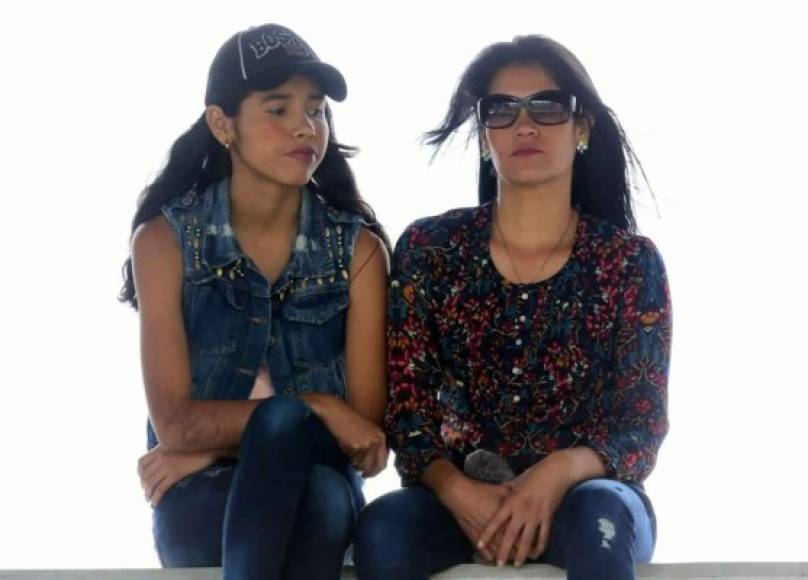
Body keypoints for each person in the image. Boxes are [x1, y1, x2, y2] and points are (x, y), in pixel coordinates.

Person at [354, 34, 671, 580]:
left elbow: (639, 423)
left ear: (582, 128)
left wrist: (558, 472)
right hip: (456, 503)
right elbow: (407, 409)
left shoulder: (629, 262)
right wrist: (454, 488)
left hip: (586, 497)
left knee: (602, 520)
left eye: (547, 106)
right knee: (382, 528)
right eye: (501, 110)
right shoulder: (431, 250)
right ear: (483, 135)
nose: (525, 125)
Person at [119, 23, 390, 580]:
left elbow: (364, 434)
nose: (304, 127)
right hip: (201, 496)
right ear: (223, 124)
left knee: (312, 489)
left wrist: (217, 442)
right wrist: (316, 408)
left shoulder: (358, 251)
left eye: (315, 110)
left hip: (320, 487)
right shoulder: (165, 242)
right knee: (290, 429)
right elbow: (175, 424)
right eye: (277, 109)